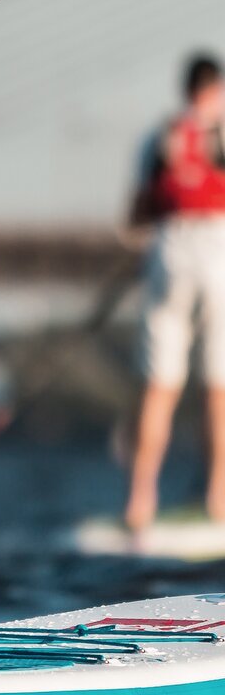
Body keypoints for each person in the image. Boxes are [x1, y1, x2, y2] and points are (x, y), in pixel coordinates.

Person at [125, 53, 225, 530]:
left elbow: (137, 214)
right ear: (216, 91)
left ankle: (140, 502)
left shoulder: (158, 137)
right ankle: (217, 501)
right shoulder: (221, 133)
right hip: (217, 252)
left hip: (167, 252)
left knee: (159, 387)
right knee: (217, 388)